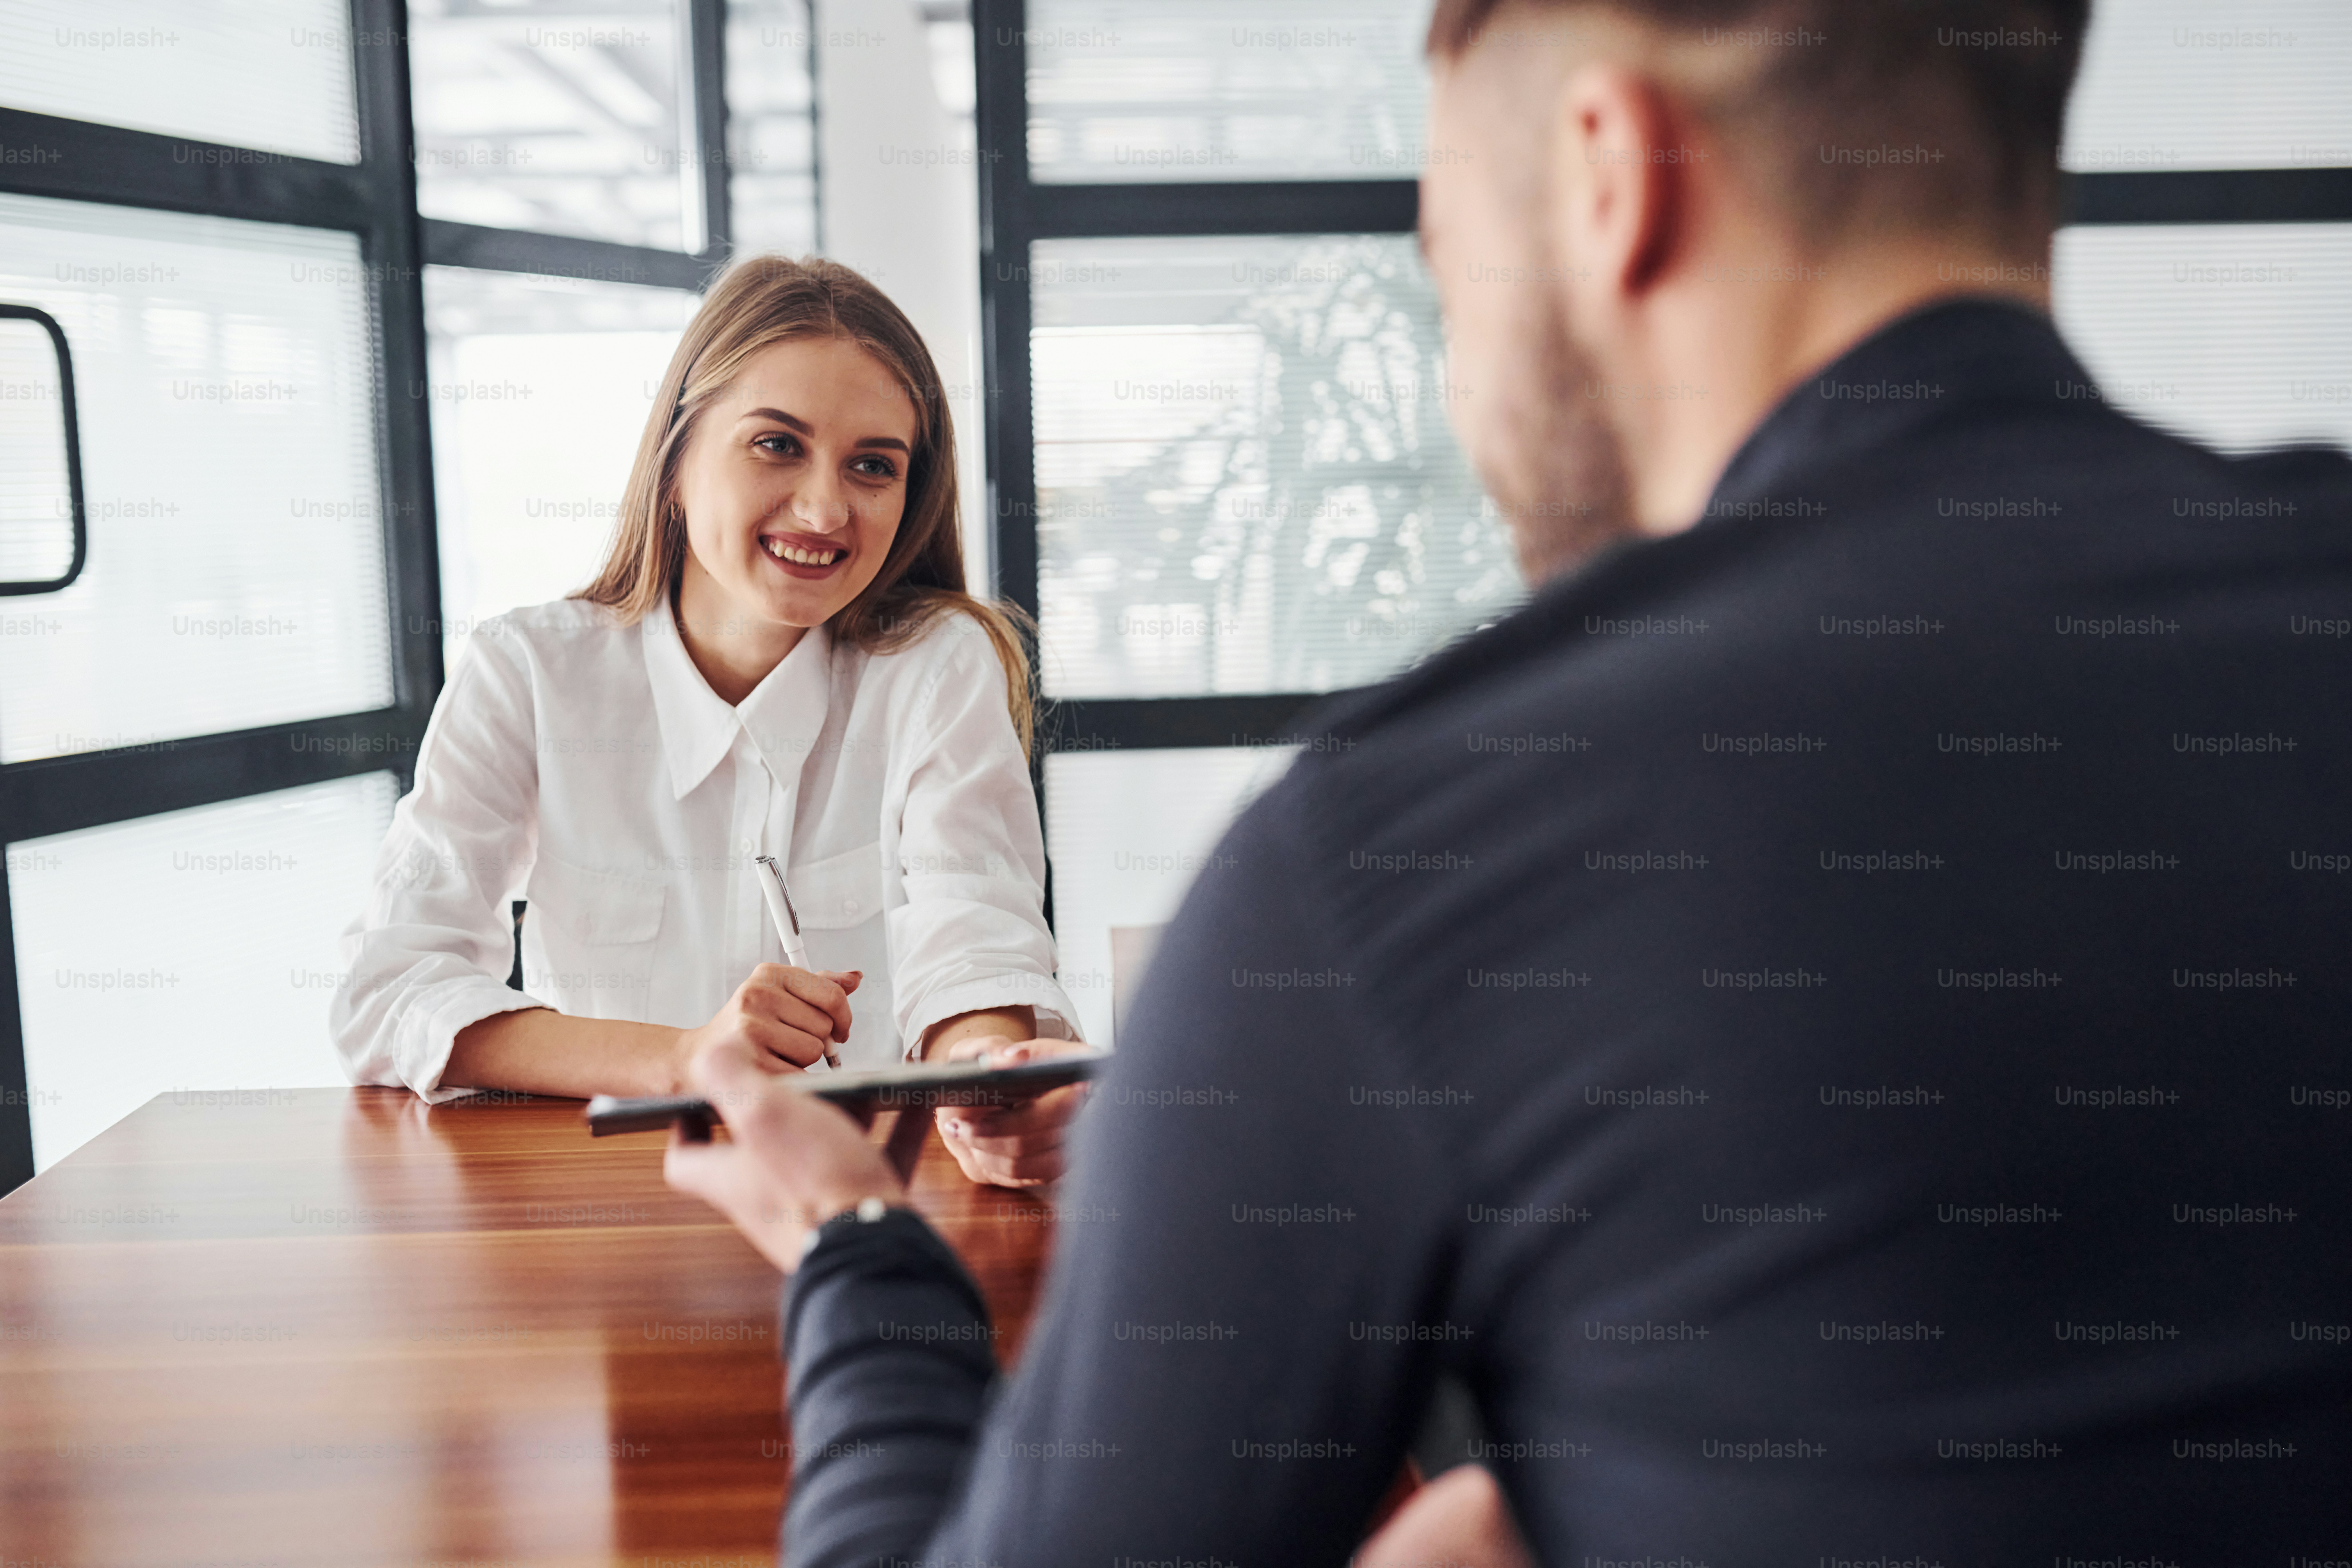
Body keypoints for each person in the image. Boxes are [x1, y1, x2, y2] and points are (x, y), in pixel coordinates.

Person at [667, 0, 2352, 1561]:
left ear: (1615, 177)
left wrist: (856, 1261)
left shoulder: (1410, 850)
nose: (1461, 375)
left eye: (1449, 263)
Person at [331, 256, 1082, 1189]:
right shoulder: (528, 672)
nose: (825, 507)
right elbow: (390, 989)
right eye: (777, 444)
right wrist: (686, 1059)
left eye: (873, 465)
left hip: (862, 1213)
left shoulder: (934, 667)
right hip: (609, 1224)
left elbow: (973, 939)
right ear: (678, 458)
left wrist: (989, 1082)